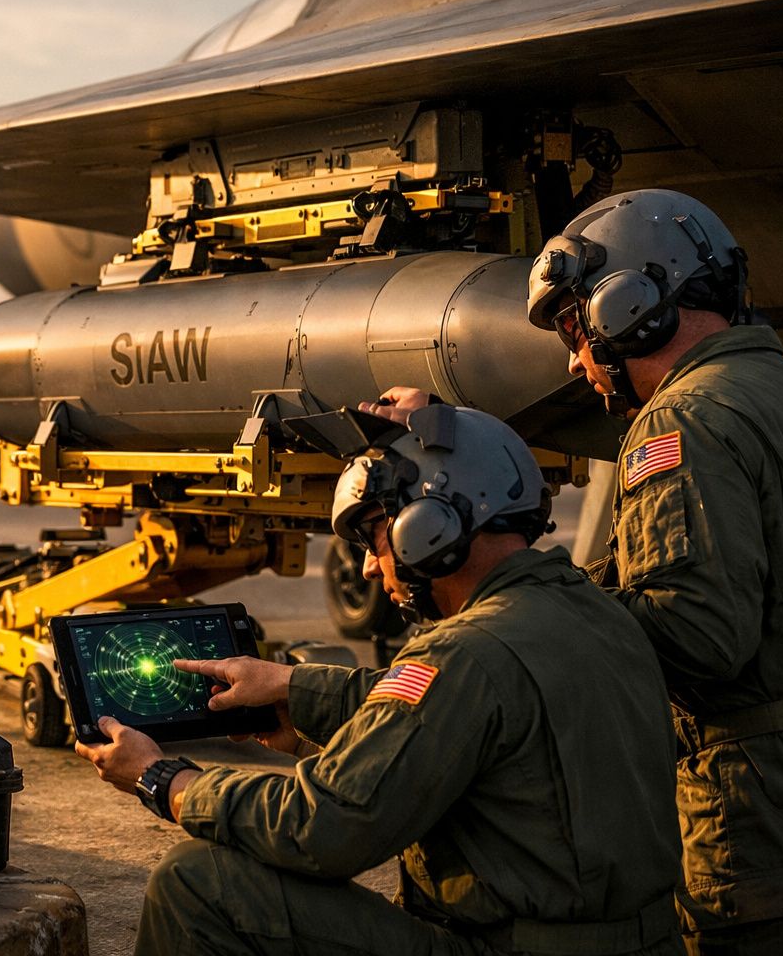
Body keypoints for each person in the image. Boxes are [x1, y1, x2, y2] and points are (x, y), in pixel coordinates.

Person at [75, 405, 684, 956]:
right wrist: (294, 691)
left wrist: (166, 780)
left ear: (430, 527)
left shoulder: (464, 652)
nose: (369, 564)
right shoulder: (596, 610)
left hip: (511, 946)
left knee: (198, 883)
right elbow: (460, 718)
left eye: (373, 536)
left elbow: (325, 828)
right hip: (640, 939)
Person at [518, 188, 783, 955]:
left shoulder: (681, 419)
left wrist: (544, 605)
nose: (579, 360)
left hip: (768, 800)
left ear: (627, 310)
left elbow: (697, 634)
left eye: (575, 329)